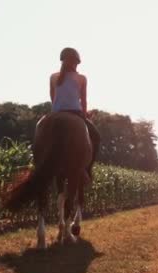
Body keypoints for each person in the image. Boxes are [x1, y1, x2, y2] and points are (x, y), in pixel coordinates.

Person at [49, 47, 100, 181]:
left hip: (55, 113)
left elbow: (53, 99)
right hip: (75, 113)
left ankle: (38, 163)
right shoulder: (82, 78)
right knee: (96, 136)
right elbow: (83, 101)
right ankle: (86, 169)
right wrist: (85, 115)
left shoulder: (53, 77)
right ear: (76, 62)